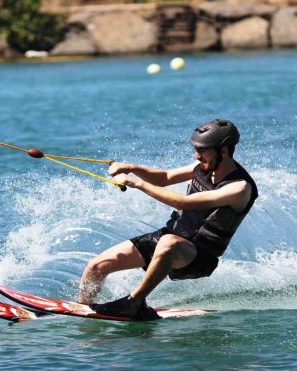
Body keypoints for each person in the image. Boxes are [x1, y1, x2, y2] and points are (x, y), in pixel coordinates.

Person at [78, 119, 258, 320]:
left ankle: (134, 303)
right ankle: (81, 310)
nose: (197, 156)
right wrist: (131, 168)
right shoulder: (204, 165)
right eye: (196, 149)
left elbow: (182, 202)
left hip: (199, 257)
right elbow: (164, 177)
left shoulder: (239, 188)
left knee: (168, 243)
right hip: (169, 238)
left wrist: (137, 183)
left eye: (203, 150)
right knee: (96, 267)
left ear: (223, 151)